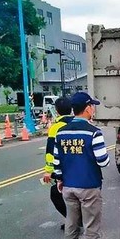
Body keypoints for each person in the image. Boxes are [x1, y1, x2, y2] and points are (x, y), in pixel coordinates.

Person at [53, 91, 110, 239]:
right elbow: (103, 161)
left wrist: (60, 179)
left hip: (68, 187)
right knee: (91, 226)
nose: (93, 109)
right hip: (89, 186)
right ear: (87, 109)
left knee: (71, 225)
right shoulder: (93, 132)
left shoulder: (60, 132)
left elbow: (56, 161)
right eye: (92, 106)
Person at [42, 97, 74, 228]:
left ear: (57, 111)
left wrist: (49, 171)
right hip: (78, 167)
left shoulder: (56, 128)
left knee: (56, 194)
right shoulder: (76, 123)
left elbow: (50, 152)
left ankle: (73, 221)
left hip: (63, 168)